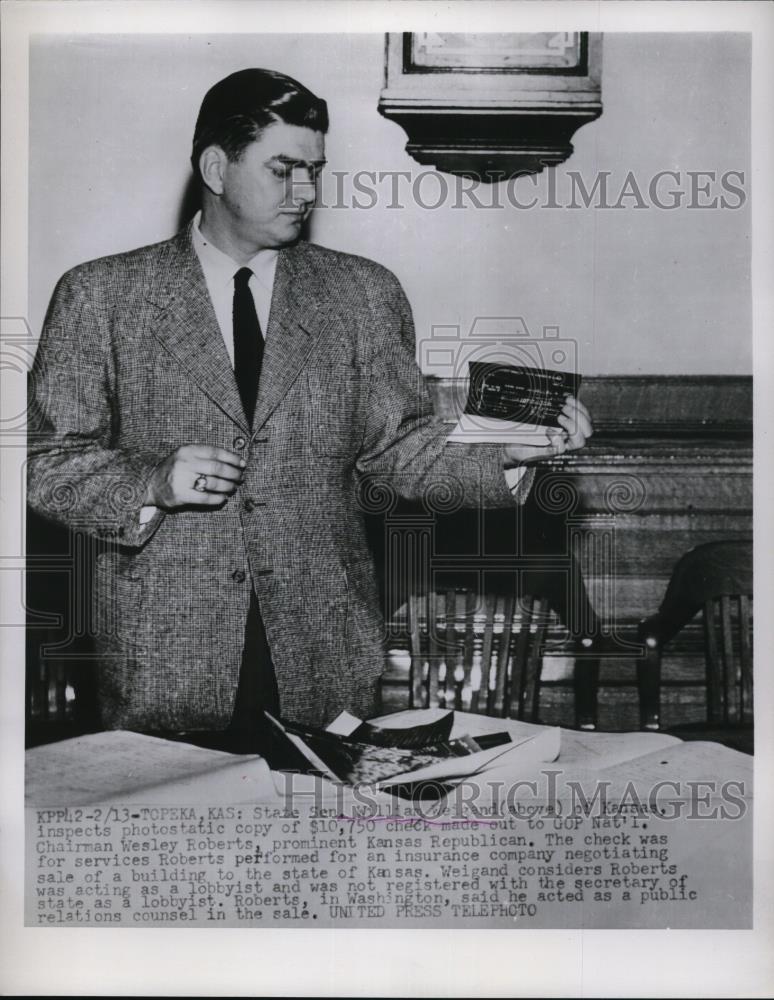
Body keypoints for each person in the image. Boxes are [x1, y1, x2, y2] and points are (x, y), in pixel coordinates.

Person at [27, 68, 592, 751]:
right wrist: (152, 481)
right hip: (161, 661)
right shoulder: (100, 296)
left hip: (322, 660)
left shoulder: (362, 294)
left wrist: (503, 454)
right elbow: (48, 463)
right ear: (215, 166)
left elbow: (400, 446)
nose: (307, 191)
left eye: (316, 171)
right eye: (284, 169)